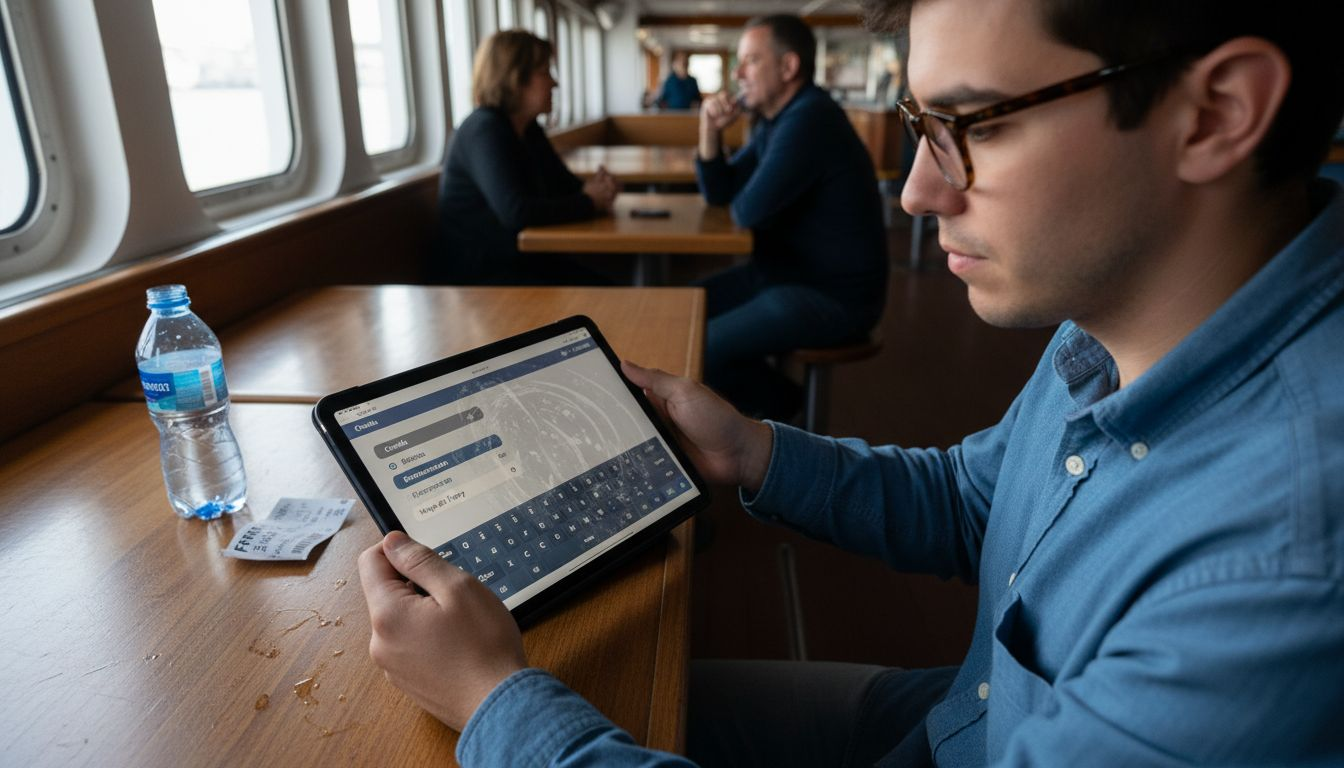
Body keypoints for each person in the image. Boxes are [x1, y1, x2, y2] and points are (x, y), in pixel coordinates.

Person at [359, 0, 1344, 766]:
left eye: (974, 123)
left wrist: (497, 700)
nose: (916, 190)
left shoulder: (1282, 574)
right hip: (949, 717)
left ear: (1215, 113)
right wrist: (753, 448)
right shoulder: (1122, 317)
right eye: (922, 122)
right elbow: (972, 498)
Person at [693, 14, 888, 420]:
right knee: (683, 309)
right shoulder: (775, 120)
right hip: (780, 275)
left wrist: (739, 188)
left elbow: (745, 211)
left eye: (749, 60)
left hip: (834, 297)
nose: (738, 72)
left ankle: (783, 415)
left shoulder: (809, 119)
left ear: (788, 66)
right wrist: (710, 131)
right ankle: (778, 404)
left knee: (702, 346)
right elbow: (719, 193)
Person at [433, 30, 618, 285]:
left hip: (523, 261)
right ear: (515, 79)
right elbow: (516, 212)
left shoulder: (528, 129)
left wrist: (597, 190)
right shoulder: (484, 129)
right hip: (482, 277)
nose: (555, 83)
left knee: (612, 288)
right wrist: (589, 201)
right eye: (545, 72)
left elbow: (566, 185)